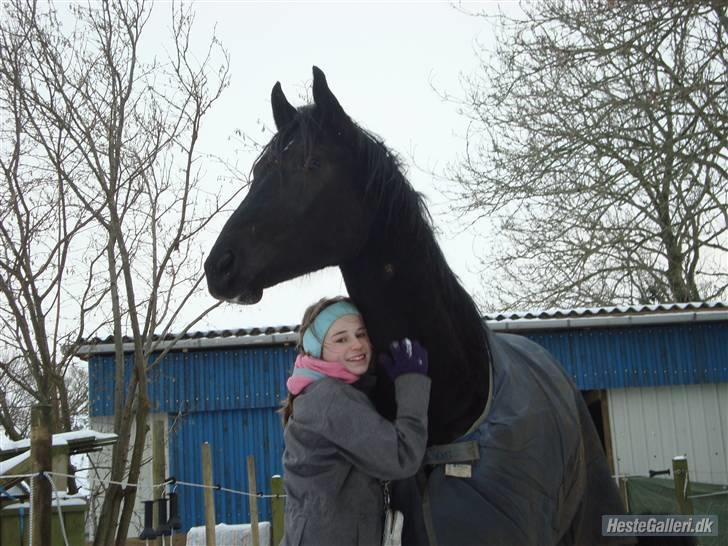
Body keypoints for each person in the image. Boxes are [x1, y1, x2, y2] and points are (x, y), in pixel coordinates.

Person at [280, 296, 431, 546]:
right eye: (341, 339)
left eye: (361, 334)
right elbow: (401, 456)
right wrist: (411, 382)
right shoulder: (331, 398)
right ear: (317, 349)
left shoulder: (314, 393)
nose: (357, 344)